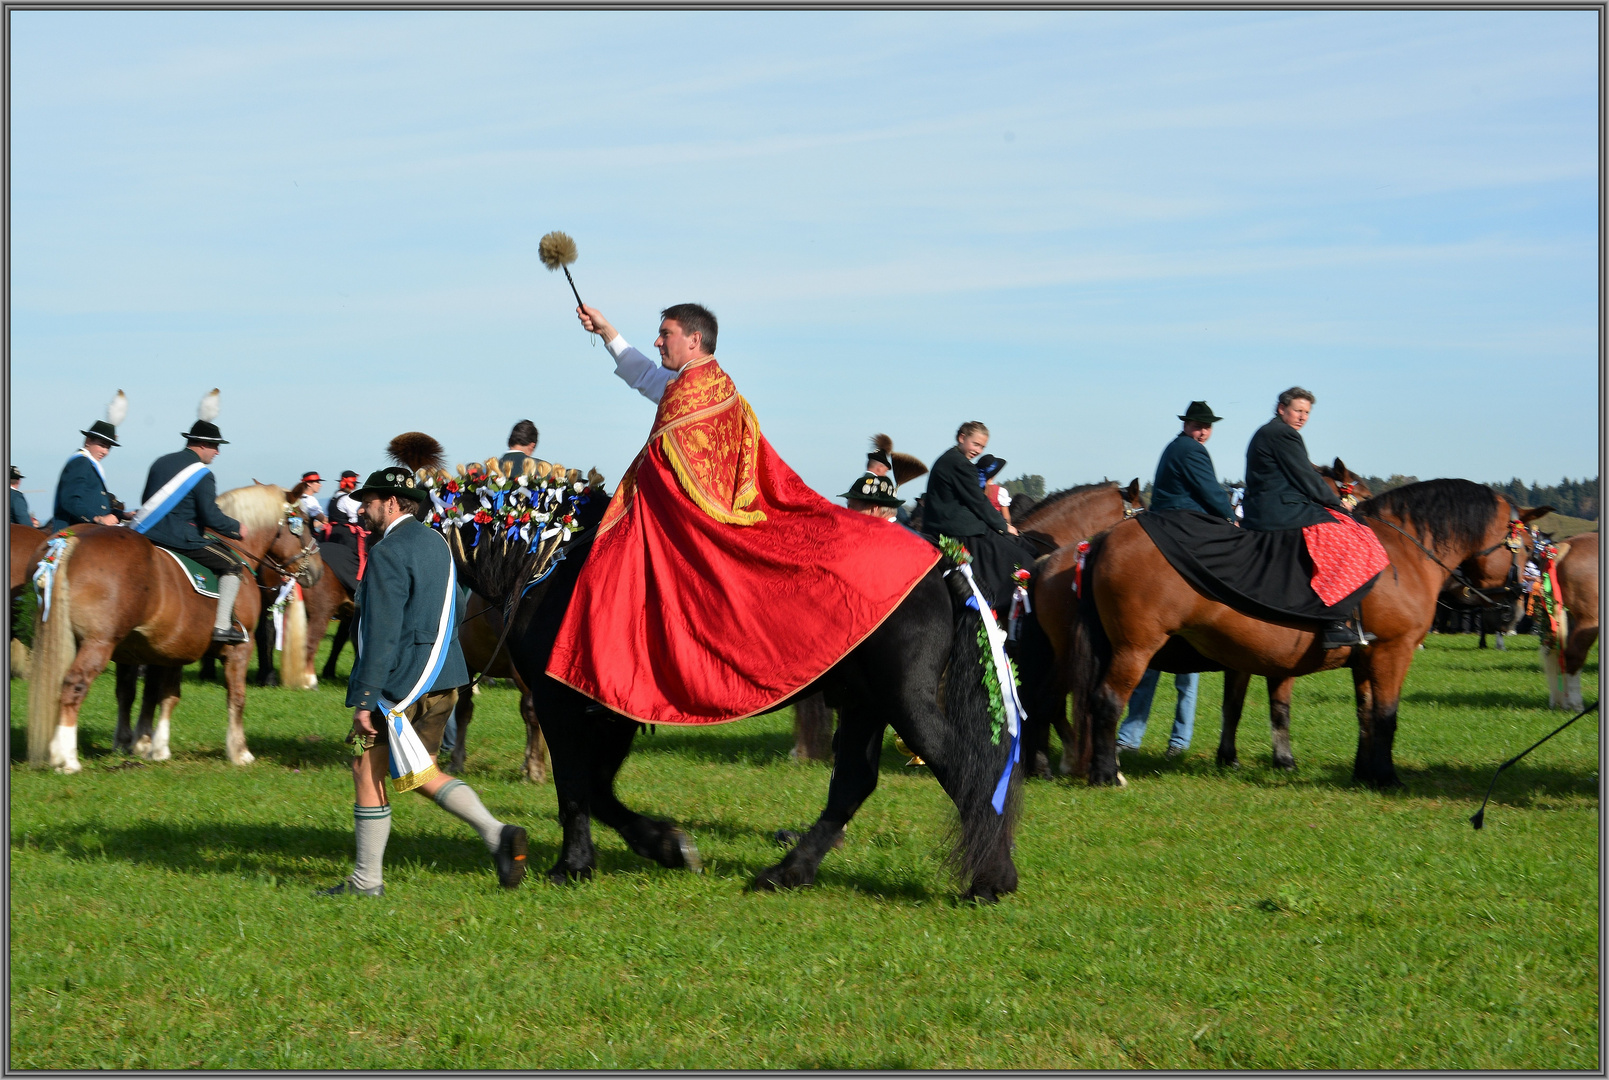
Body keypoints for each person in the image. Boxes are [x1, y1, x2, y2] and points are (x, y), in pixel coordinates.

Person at [552, 302, 939, 725]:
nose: (658, 340)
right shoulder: (701, 383)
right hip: (718, 510)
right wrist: (608, 333)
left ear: (694, 340)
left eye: (666, 333)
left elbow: (669, 471)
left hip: (713, 520)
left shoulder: (694, 391)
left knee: (620, 560)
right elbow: (647, 378)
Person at [317, 461, 527, 897]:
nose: (361, 510)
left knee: (362, 761)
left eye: (369, 502)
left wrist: (363, 700)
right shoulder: (437, 542)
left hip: (395, 690)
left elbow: (380, 631)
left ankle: (366, 880)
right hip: (443, 681)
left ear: (392, 503)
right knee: (422, 771)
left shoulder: (387, 552)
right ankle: (496, 833)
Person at [1118, 401, 1232, 757]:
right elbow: (1210, 492)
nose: (1203, 431)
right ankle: (1179, 742)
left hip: (1166, 524)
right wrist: (1231, 516)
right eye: (1198, 424)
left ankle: (1131, 738)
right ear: (1187, 424)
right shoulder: (1190, 450)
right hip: (1188, 528)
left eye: (1207, 426)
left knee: (1150, 665)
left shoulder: (1174, 447)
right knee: (1187, 675)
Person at [1242, 387, 1386, 649]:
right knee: (1355, 539)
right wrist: (1338, 505)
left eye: (1306, 412)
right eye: (1297, 410)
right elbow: (1306, 479)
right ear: (1281, 409)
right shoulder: (1283, 433)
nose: (1302, 417)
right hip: (1281, 511)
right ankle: (1334, 621)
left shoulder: (1271, 432)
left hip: (1270, 507)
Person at [130, 393, 251, 645]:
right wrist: (236, 527)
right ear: (203, 445)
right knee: (233, 565)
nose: (217, 452)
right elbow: (211, 517)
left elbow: (147, 500)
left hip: (145, 533)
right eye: (216, 446)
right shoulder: (202, 474)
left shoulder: (160, 462)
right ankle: (221, 626)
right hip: (179, 538)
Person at [921, 422, 1034, 609]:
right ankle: (1002, 609)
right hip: (959, 530)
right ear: (962, 438)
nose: (978, 450)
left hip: (947, 525)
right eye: (975, 444)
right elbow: (978, 502)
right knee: (1023, 559)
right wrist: (1004, 526)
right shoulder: (959, 464)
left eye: (982, 447)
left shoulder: (950, 459)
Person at [50, 394, 125, 530]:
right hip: (76, 531)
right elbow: (70, 500)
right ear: (88, 441)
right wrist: (97, 518)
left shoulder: (89, 464)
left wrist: (123, 514)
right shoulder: (80, 462)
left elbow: (95, 502)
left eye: (108, 448)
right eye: (102, 445)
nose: (105, 452)